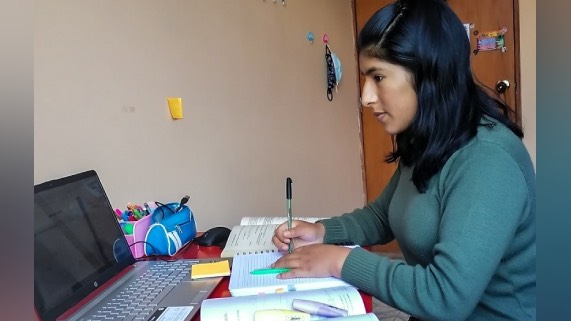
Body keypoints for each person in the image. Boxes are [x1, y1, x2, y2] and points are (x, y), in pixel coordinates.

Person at [271, 0, 536, 320]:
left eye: (378, 77)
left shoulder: (489, 160)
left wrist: (339, 261)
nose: (365, 96)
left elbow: (445, 297)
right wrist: (322, 232)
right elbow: (384, 216)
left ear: (429, 75)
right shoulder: (428, 138)